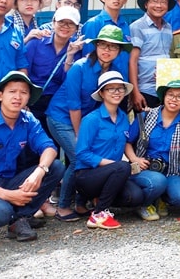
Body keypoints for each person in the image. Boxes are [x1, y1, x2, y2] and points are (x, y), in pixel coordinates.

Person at [45, 25, 130, 221]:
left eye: (113, 47)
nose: (107, 50)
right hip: (62, 117)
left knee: (92, 155)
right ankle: (64, 205)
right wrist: (78, 134)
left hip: (85, 120)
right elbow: (74, 106)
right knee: (78, 156)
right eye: (103, 45)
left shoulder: (115, 71)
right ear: (96, 46)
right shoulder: (80, 67)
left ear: (118, 51)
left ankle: (81, 203)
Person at [0, 71, 65, 242]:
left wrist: (39, 171)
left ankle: (18, 220)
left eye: (23, 92)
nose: (18, 97)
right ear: (0, 95)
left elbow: (49, 148)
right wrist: (8, 196)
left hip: (9, 180)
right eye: (12, 91)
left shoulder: (27, 119)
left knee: (55, 167)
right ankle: (6, 215)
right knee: (1, 213)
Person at [125, 80, 180, 221]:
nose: (174, 99)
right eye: (170, 94)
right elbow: (127, 142)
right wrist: (135, 159)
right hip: (144, 169)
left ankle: (161, 199)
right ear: (164, 97)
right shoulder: (145, 116)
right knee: (157, 181)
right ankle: (144, 204)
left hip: (170, 171)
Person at [74, 71, 143, 230]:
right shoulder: (91, 119)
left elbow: (126, 141)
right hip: (87, 176)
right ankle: (98, 214)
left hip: (113, 174)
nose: (116, 92)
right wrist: (113, 165)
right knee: (122, 167)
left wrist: (134, 160)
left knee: (136, 197)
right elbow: (82, 153)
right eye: (110, 89)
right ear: (102, 93)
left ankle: (100, 199)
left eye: (119, 89)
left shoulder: (123, 117)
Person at [24, 6, 82, 133]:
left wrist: (70, 55)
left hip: (57, 104)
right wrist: (24, 101)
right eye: (61, 22)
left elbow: (67, 82)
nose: (65, 26)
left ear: (76, 28)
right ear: (53, 22)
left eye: (71, 24)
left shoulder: (77, 50)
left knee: (52, 144)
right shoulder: (36, 43)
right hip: (33, 100)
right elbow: (23, 72)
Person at [129, 0, 175, 110]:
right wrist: (135, 92)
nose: (159, 5)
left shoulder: (168, 27)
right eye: (154, 1)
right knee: (145, 128)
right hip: (146, 91)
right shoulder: (137, 27)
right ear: (146, 4)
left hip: (166, 89)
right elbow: (132, 61)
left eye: (163, 2)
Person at [80, 0, 133, 74]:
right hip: (101, 83)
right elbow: (88, 58)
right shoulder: (94, 23)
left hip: (122, 82)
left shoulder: (125, 25)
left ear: (125, 0)